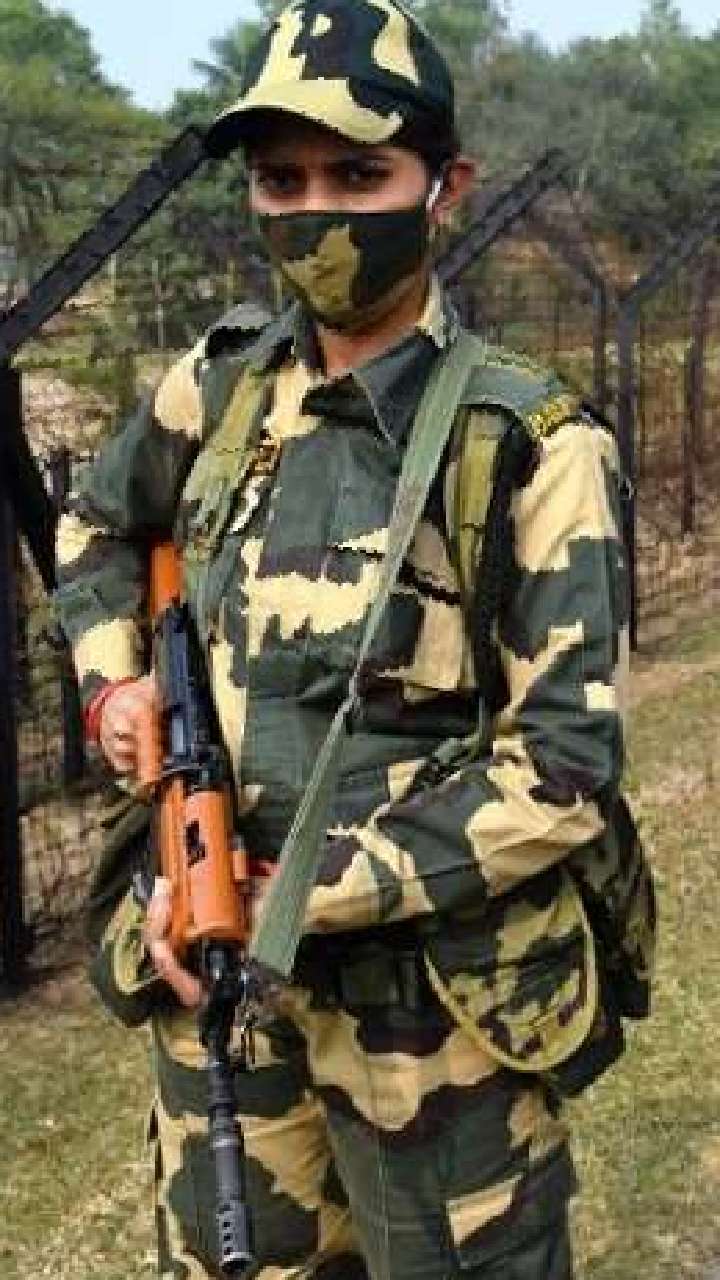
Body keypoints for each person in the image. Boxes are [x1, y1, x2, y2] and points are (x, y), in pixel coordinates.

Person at [55, 2, 655, 1277]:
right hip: (218, 998)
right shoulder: (218, 385)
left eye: (358, 173)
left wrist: (299, 892)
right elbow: (98, 526)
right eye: (282, 180)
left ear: (446, 187)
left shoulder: (530, 444)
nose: (316, 210)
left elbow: (563, 767)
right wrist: (114, 690)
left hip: (431, 1029)